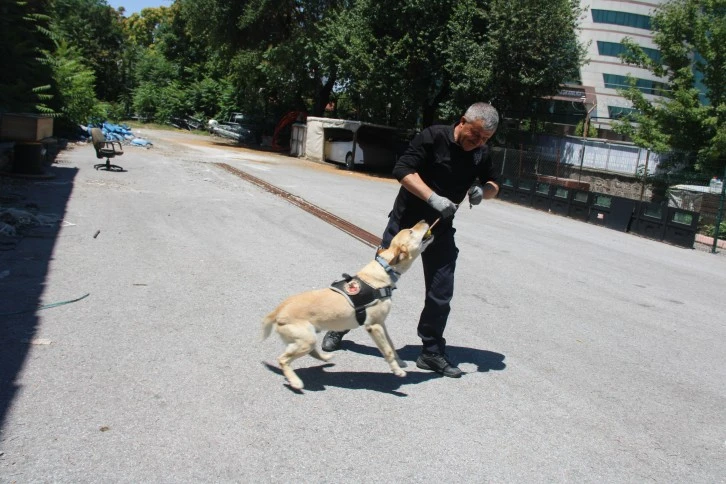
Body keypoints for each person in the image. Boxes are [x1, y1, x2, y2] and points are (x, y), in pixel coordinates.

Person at [322, 102, 500, 378]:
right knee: (374, 280)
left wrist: (482, 191)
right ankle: (340, 324)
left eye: (485, 140)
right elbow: (403, 169)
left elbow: (494, 183)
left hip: (439, 230)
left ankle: (430, 351)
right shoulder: (432, 136)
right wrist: (433, 198)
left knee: (441, 291)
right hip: (406, 224)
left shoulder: (481, 152)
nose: (477, 143)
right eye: (474, 135)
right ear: (462, 121)